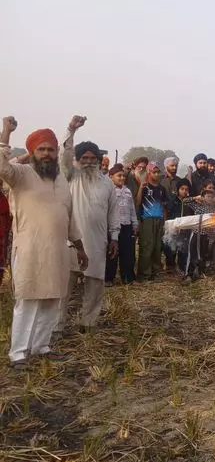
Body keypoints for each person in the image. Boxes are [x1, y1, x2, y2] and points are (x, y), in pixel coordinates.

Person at [0, 116, 89, 369]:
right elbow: (1, 167)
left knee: (52, 299)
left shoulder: (61, 181)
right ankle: (18, 354)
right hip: (30, 250)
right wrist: (6, 132)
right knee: (28, 300)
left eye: (50, 149)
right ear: (32, 152)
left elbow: (68, 218)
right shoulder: (21, 174)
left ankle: (41, 347)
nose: (47, 154)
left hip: (58, 250)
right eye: (41, 149)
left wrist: (80, 248)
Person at [57, 122, 120, 333]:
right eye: (84, 158)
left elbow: (113, 212)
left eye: (93, 158)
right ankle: (57, 326)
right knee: (64, 286)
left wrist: (114, 237)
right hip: (70, 241)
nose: (89, 162)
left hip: (97, 241)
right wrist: (71, 130)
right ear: (77, 160)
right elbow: (64, 154)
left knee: (95, 284)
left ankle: (88, 323)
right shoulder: (70, 176)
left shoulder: (107, 183)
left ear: (99, 160)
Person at [105, 164, 138, 285]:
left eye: (123, 176)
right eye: (119, 176)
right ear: (111, 177)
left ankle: (128, 277)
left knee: (127, 252)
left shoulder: (127, 191)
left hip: (126, 225)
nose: (122, 178)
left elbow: (132, 208)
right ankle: (109, 278)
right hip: (113, 226)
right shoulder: (108, 191)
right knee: (112, 252)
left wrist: (134, 223)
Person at [136, 162, 168, 281]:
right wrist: (140, 188)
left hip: (159, 219)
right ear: (149, 173)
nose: (157, 174)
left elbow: (164, 207)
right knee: (146, 247)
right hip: (147, 219)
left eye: (158, 172)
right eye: (154, 172)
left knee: (157, 246)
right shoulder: (144, 187)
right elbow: (138, 202)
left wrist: (164, 222)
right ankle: (144, 274)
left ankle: (155, 272)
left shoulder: (162, 189)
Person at [166, 178, 194, 274]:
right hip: (174, 228)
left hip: (185, 230)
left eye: (186, 189)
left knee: (183, 249)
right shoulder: (173, 200)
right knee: (171, 249)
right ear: (178, 189)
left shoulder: (189, 202)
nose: (184, 191)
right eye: (182, 189)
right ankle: (170, 266)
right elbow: (168, 212)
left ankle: (181, 267)